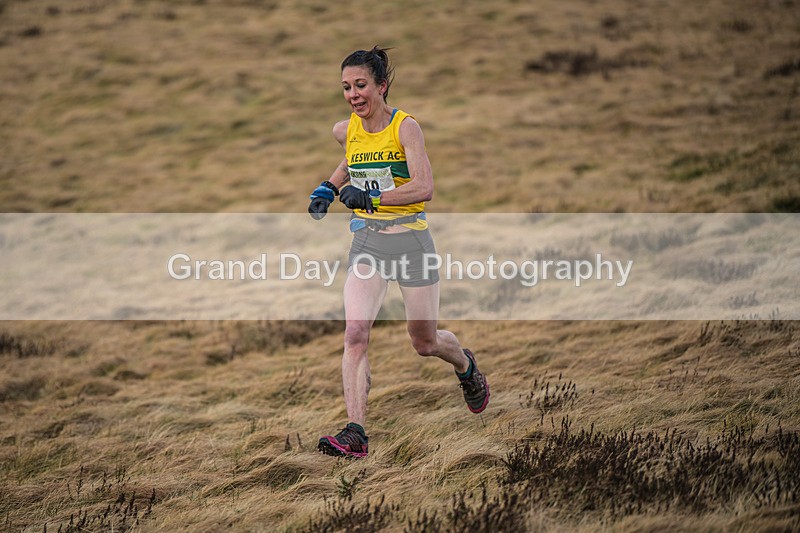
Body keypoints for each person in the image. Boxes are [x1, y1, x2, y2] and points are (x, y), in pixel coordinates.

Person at [308, 46, 489, 459]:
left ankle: (465, 365)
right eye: (346, 87)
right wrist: (328, 188)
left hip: (411, 244)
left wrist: (369, 196)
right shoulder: (345, 129)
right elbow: (352, 159)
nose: (353, 94)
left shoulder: (406, 128)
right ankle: (356, 433)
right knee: (355, 333)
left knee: (424, 342)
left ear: (382, 86)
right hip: (368, 243)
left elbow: (424, 187)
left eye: (360, 85)